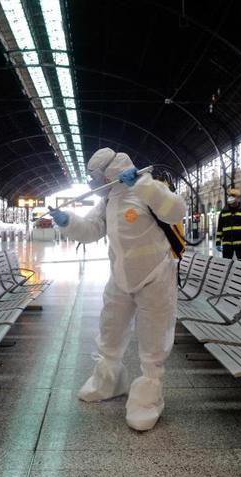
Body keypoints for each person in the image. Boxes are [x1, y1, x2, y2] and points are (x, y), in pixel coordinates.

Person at [48, 148, 187, 431]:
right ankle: (108, 380)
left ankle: (148, 396)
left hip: (155, 276)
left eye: (94, 176)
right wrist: (69, 222)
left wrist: (143, 184)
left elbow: (176, 211)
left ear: (109, 173)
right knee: (111, 328)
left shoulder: (149, 188)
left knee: (153, 338)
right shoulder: (109, 199)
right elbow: (91, 229)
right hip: (120, 278)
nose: (91, 182)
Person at [214, 188, 241, 260]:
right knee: (226, 265)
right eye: (230, 196)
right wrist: (218, 242)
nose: (231, 198)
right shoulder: (224, 212)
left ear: (238, 198)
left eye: (234, 196)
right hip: (227, 244)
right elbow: (219, 229)